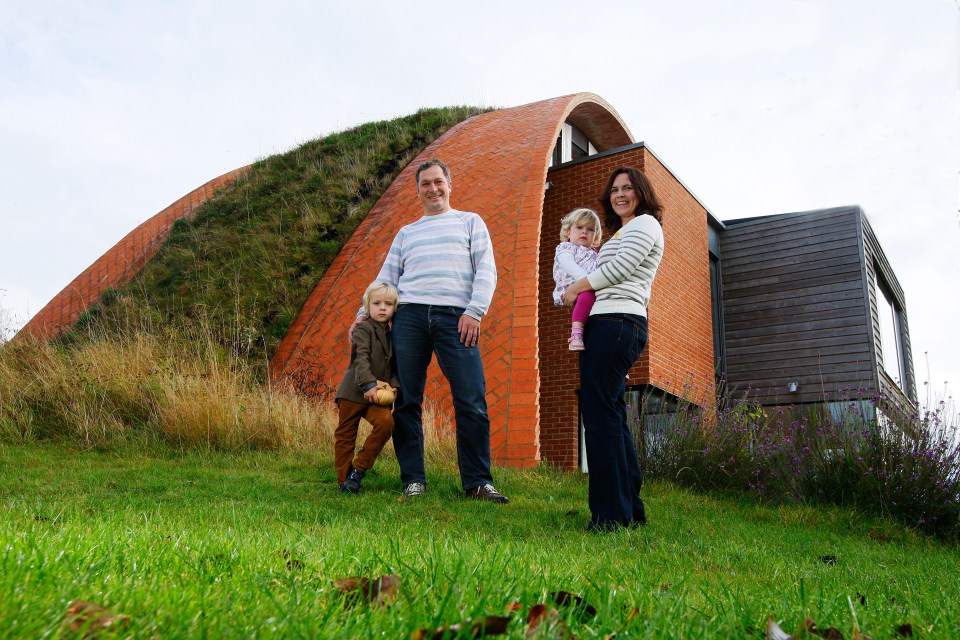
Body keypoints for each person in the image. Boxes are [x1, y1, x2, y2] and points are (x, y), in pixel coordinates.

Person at [352, 159, 508, 503]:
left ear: (450, 184)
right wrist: (364, 313)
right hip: (408, 318)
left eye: (439, 182)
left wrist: (475, 311)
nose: (433, 189)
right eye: (426, 184)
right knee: (407, 399)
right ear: (418, 190)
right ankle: (413, 480)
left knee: (471, 399)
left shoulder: (470, 222)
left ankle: (478, 482)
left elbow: (486, 269)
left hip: (458, 317)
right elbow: (387, 277)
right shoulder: (407, 232)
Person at [563, 166, 664, 531]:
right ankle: (629, 511)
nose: (620, 194)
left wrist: (577, 288)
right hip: (610, 323)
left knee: (600, 417)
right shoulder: (623, 231)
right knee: (612, 416)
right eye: (615, 189)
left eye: (627, 188)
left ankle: (609, 516)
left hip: (617, 323)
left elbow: (620, 269)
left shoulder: (646, 224)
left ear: (641, 192)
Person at [334, 281, 401, 494]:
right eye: (377, 303)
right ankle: (344, 481)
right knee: (346, 435)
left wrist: (395, 386)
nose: (382, 308)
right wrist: (369, 384)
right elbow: (360, 358)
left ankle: (359, 470)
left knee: (385, 424)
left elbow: (394, 365)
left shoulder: (393, 334)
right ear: (367, 306)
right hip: (354, 391)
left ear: (394, 308)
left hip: (378, 394)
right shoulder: (363, 329)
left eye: (388, 304)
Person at [552, 208, 603, 351]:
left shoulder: (595, 253)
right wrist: (587, 281)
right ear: (568, 232)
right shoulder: (566, 247)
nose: (584, 232)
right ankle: (576, 334)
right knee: (587, 296)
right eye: (579, 227)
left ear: (596, 236)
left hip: (590, 287)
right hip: (572, 286)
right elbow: (568, 264)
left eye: (590, 229)